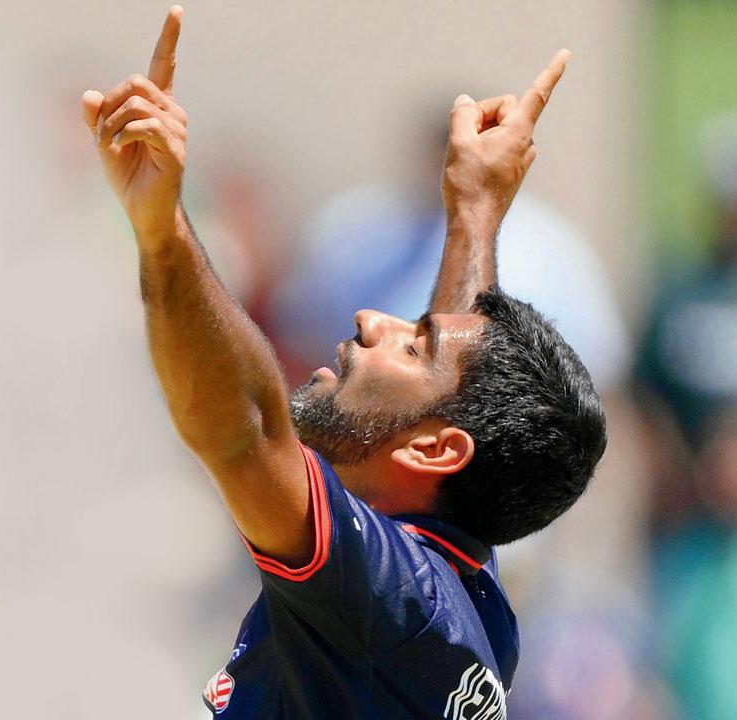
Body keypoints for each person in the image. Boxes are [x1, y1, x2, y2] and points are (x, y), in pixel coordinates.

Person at [80, 7, 606, 717]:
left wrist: (162, 228)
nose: (370, 321)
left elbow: (243, 431)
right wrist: (473, 210)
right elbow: (451, 392)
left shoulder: (387, 593)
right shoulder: (468, 594)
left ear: (434, 452)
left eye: (410, 344)